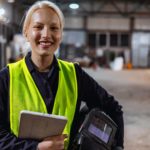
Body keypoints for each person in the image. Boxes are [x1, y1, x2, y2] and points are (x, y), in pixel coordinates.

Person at [0, 1, 124, 150]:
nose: (46, 35)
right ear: (26, 32)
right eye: (38, 27)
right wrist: (36, 148)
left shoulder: (74, 75)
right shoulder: (7, 78)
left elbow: (113, 108)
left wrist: (118, 146)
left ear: (60, 34)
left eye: (54, 28)